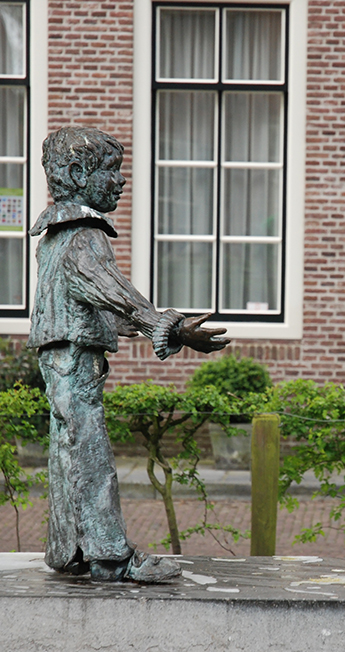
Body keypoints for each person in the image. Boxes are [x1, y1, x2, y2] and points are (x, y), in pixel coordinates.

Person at [28, 127, 229, 583]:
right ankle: (111, 556)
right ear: (77, 174)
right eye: (111, 170)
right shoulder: (84, 238)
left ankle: (69, 548)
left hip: (63, 356)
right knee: (89, 452)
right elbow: (113, 292)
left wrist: (139, 321)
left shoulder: (53, 239)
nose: (121, 181)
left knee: (67, 449)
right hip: (74, 361)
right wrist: (167, 325)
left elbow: (86, 300)